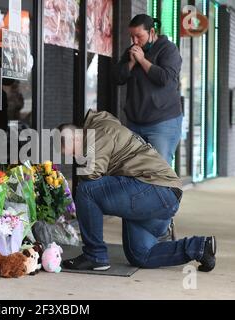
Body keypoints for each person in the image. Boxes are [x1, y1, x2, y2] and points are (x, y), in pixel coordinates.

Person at [58, 110, 216, 272]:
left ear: (77, 137)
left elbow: (91, 176)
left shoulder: (99, 133)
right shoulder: (103, 128)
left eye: (73, 152)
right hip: (161, 195)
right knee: (141, 255)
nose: (76, 157)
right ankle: (199, 247)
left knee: (85, 190)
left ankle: (94, 256)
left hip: (153, 189)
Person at [113, 14, 183, 166]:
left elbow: (165, 78)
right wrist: (131, 63)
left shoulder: (169, 50)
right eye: (132, 37)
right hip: (135, 123)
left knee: (159, 171)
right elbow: (117, 78)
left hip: (163, 122)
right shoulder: (132, 51)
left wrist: (142, 61)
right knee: (134, 170)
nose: (135, 41)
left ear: (152, 32)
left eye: (139, 36)